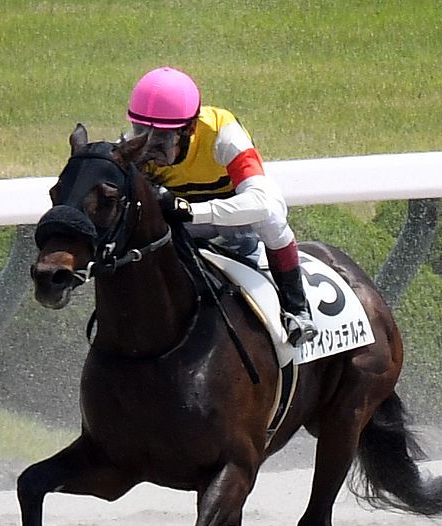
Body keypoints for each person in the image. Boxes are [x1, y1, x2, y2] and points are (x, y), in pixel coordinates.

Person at [126, 66, 318, 346]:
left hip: (234, 217)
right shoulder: (134, 145)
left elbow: (262, 202)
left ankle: (297, 309)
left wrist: (192, 211)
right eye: (141, 132)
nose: (149, 148)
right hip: (179, 224)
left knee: (273, 215)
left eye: (162, 139)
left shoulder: (223, 133)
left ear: (190, 128)